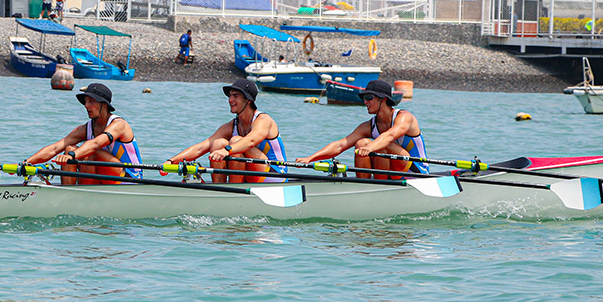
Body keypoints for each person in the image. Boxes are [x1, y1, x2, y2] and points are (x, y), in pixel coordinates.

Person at [296, 79, 427, 180]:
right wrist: (310, 158)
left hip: (415, 171)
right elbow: (340, 145)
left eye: (369, 98)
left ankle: (379, 186)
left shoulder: (405, 117)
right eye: (364, 98)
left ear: (383, 99)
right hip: (391, 171)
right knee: (361, 143)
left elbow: (390, 136)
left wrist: (370, 148)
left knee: (381, 145)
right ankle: (366, 186)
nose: (365, 102)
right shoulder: (369, 126)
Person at [164, 78, 287, 184]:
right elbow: (200, 148)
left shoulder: (264, 120)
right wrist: (172, 161)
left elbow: (250, 141)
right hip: (252, 174)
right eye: (230, 96)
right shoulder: (232, 125)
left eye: (235, 96)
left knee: (235, 140)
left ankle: (233, 189)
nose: (230, 100)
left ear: (248, 100)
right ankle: (219, 188)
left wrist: (226, 150)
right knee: (217, 143)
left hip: (275, 175)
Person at [25, 83, 142, 185]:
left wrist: (72, 156)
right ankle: (69, 192)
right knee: (69, 148)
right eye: (86, 101)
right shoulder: (86, 128)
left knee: (91, 152)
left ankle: (81, 193)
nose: (86, 106)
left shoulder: (119, 124)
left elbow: (96, 144)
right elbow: (54, 148)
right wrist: (26, 163)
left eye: (91, 101)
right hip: (104, 178)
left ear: (104, 104)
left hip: (130, 178)